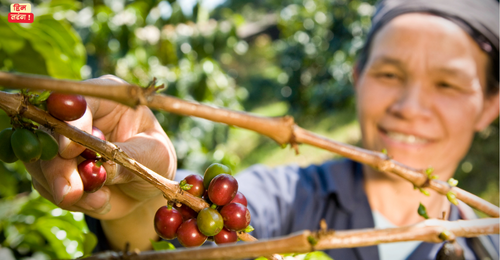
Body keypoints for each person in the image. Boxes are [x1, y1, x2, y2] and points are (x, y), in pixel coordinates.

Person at [24, 0, 499, 259]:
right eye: (390, 74)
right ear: (358, 78)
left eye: (447, 83)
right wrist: (145, 197)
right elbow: (169, 237)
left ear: (490, 106)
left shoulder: (488, 242)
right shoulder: (290, 199)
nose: (410, 107)